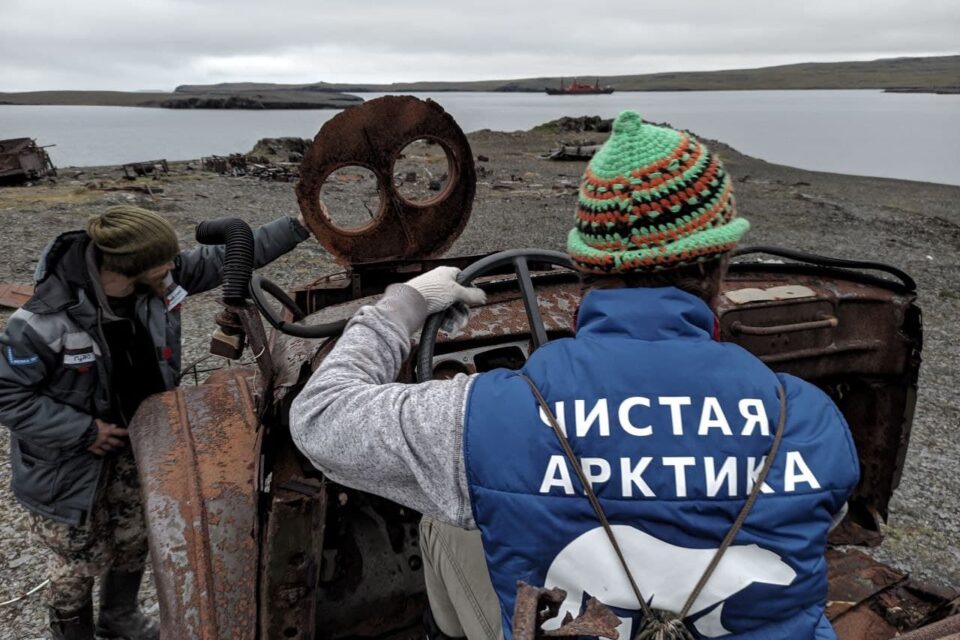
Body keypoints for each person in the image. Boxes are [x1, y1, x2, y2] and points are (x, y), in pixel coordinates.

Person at [289, 111, 858, 639]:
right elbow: (823, 522)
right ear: (719, 262)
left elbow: (319, 419)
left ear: (585, 263)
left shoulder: (490, 418)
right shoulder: (806, 417)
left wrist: (403, 307)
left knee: (449, 520)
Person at [0, 205, 312, 640]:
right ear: (127, 266)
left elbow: (232, 257)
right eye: (164, 259)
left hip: (140, 444)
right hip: (67, 466)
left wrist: (299, 224)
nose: (174, 264)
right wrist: (84, 432)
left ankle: (118, 619)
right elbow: (8, 393)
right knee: (78, 561)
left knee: (134, 538)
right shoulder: (41, 322)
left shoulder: (160, 281)